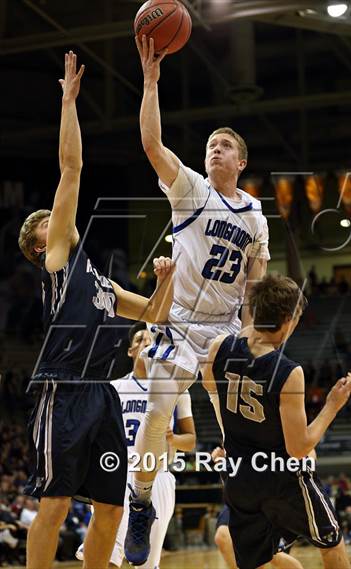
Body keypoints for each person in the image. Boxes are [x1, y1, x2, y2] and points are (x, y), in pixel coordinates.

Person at [17, 52, 175, 569]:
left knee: (111, 504)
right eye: (47, 222)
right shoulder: (58, 261)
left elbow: (152, 313)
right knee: (57, 501)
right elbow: (71, 166)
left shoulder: (98, 280)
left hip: (101, 392)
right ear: (41, 248)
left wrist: (169, 281)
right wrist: (68, 101)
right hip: (62, 387)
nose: (56, 220)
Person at [124, 35, 270, 565]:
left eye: (224, 145)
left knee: (240, 423)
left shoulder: (254, 214)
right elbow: (151, 143)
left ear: (241, 160)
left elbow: (257, 274)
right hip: (181, 321)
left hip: (227, 326)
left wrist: (254, 332)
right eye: (210, 143)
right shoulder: (190, 189)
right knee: (157, 414)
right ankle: (141, 503)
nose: (214, 149)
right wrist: (152, 81)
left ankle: (252, 510)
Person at [203, 274, 351, 569]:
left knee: (257, 561)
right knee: (331, 543)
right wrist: (332, 406)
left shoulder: (219, 347)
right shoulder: (287, 371)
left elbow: (211, 391)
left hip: (239, 477)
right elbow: (298, 448)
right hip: (280, 476)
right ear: (287, 320)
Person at [76, 322, 196, 568]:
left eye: (152, 338)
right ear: (131, 350)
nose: (147, 342)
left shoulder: (178, 390)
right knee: (105, 555)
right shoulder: (114, 389)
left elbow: (191, 442)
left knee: (146, 563)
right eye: (141, 339)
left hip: (159, 476)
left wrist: (172, 438)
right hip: (118, 475)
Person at [212, 447, 304, 569]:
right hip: (240, 497)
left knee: (271, 554)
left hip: (273, 497)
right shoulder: (232, 439)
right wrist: (221, 463)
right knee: (223, 536)